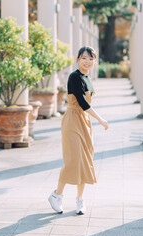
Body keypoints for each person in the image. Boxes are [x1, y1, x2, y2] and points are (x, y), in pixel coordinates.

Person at [48, 46, 109, 215]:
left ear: (94, 61)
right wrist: (101, 119)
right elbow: (83, 104)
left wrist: (93, 119)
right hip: (73, 120)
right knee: (73, 160)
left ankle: (80, 200)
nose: (87, 61)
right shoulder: (74, 77)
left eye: (91, 59)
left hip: (85, 122)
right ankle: (56, 195)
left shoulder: (88, 78)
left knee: (85, 160)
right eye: (84, 58)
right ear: (78, 59)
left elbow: (86, 107)